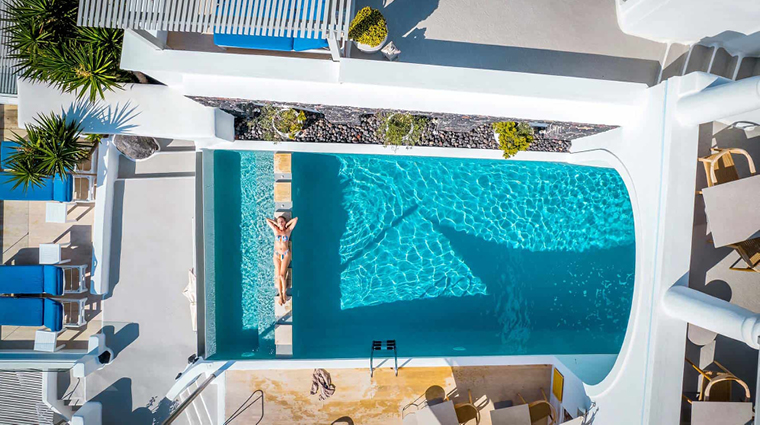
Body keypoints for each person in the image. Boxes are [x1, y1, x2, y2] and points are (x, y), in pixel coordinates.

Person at [265, 215, 298, 305]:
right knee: (278, 276)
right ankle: (280, 295)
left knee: (282, 275)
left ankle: (284, 294)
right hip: (276, 255)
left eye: (282, 221)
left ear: (285, 222)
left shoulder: (288, 231)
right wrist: (276, 223)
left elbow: (296, 219)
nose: (281, 223)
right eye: (279, 222)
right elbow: (267, 220)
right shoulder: (276, 230)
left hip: (286, 254)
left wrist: (287, 224)